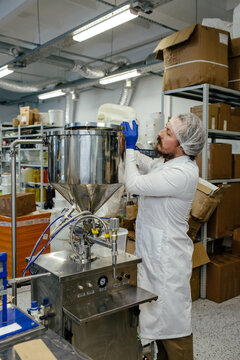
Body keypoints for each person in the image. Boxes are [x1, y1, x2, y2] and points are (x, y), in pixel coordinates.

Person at [121, 113, 206, 360]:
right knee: (155, 321)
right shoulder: (168, 164)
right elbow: (148, 165)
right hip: (154, 257)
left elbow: (134, 184)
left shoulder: (182, 173)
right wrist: (127, 147)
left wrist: (128, 149)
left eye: (168, 133)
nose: (159, 133)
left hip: (168, 263)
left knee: (173, 329)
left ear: (182, 147)